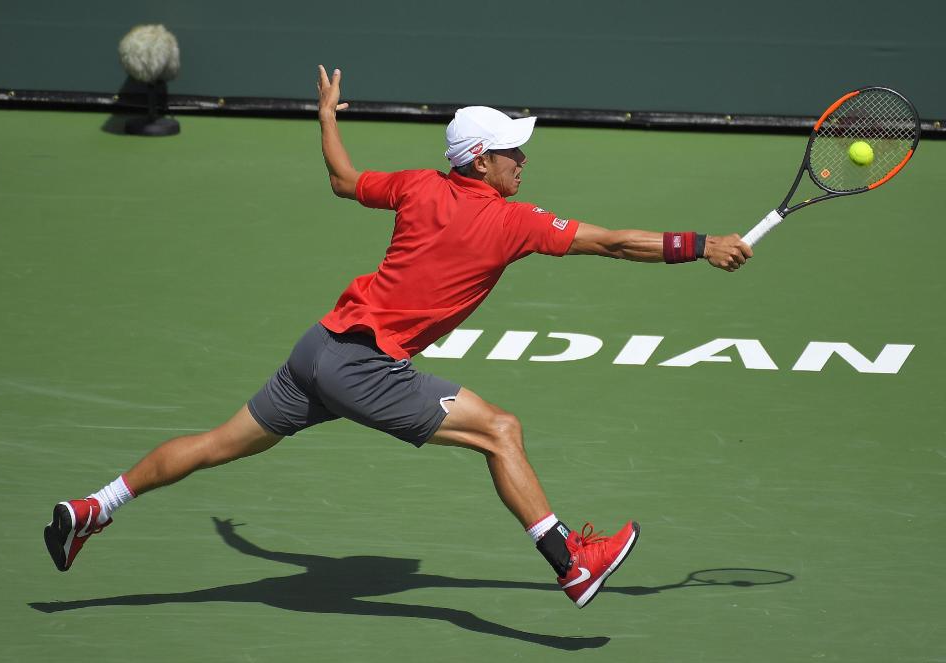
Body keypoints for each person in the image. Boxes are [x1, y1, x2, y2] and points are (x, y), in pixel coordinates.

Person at [44, 65, 752, 609]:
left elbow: (343, 180)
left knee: (213, 444)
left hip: (316, 348)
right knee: (500, 429)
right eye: (512, 151)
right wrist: (703, 243)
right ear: (480, 160)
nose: (522, 161)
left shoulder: (417, 185)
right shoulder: (515, 222)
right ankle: (573, 564)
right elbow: (617, 243)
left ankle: (92, 507)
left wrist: (326, 117)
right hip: (363, 368)